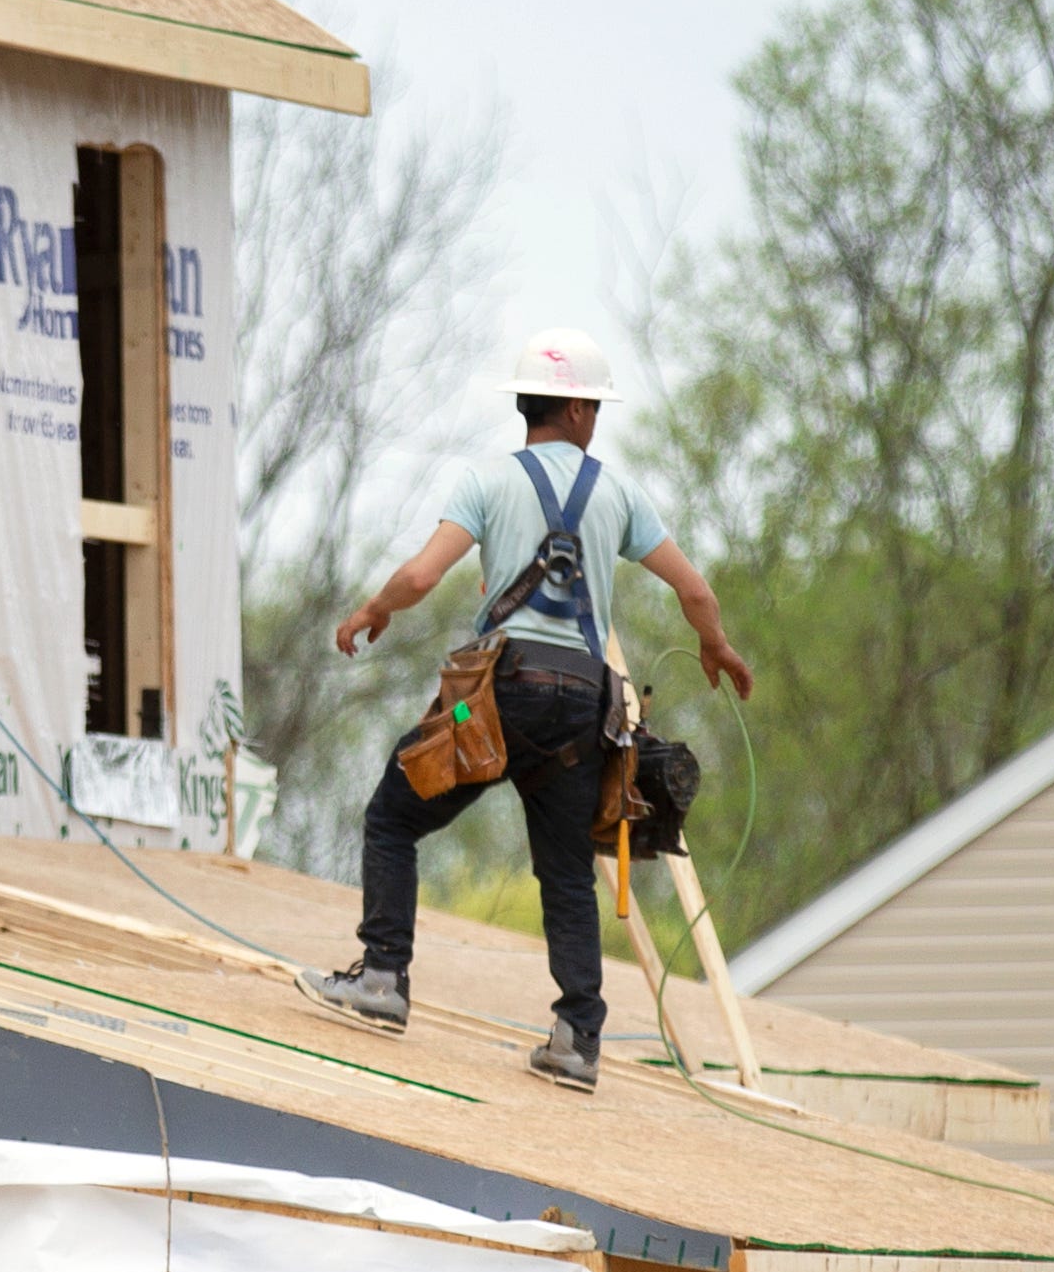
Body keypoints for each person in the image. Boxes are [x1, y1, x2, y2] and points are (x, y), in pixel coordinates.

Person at [301, 330, 755, 1091]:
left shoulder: (485, 481)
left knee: (393, 816)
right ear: (578, 409)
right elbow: (695, 591)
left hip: (492, 704)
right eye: (596, 408)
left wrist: (371, 612)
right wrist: (717, 647)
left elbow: (420, 574)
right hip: (581, 711)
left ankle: (382, 979)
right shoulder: (618, 494)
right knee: (567, 873)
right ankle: (576, 1040)